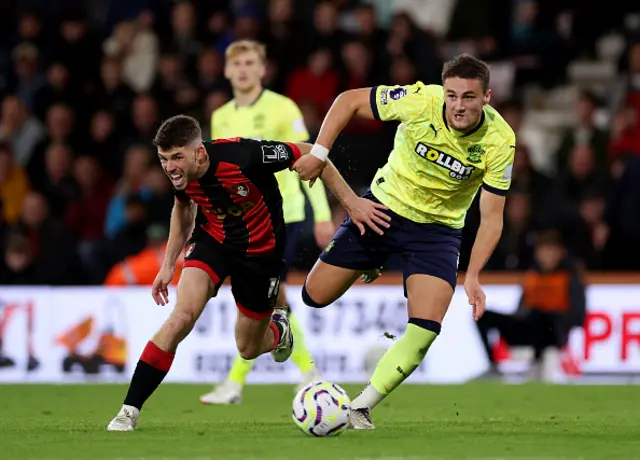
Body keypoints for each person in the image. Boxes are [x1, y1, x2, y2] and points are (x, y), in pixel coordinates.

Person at [107, 115, 384, 431]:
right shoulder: (183, 178)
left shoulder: (245, 155)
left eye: (177, 157)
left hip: (260, 255)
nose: (170, 167)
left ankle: (280, 331)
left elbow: (311, 150)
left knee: (248, 348)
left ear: (198, 153)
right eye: (163, 159)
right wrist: (169, 264)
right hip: (213, 243)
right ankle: (129, 409)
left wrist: (352, 205)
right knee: (181, 317)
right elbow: (183, 208)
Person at [293, 54, 516, 429]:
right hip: (383, 209)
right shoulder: (419, 100)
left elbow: (493, 217)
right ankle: (369, 260)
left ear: (487, 97)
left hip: (437, 231)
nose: (458, 105)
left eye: (469, 97)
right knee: (313, 296)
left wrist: (474, 275)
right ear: (442, 92)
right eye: (452, 95)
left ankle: (361, 406)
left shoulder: (500, 140)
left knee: (426, 326)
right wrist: (319, 153)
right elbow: (348, 100)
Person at [200, 40, 335, 405]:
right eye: (237, 64)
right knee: (271, 298)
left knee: (265, 296)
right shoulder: (220, 115)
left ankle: (236, 383)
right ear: (226, 71)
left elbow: (313, 158)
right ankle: (307, 372)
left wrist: (321, 215)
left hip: (282, 215)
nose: (242, 69)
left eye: (249, 63)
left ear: (262, 69)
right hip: (240, 221)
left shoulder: (282, 107)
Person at [475, 229, 586, 381]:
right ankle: (493, 365)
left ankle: (538, 361)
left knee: (542, 316)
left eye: (551, 251)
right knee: (484, 316)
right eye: (544, 251)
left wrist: (555, 316)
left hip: (553, 331)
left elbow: (578, 316)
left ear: (560, 253)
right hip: (528, 327)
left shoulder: (569, 278)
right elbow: (521, 309)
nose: (547, 256)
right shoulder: (531, 277)